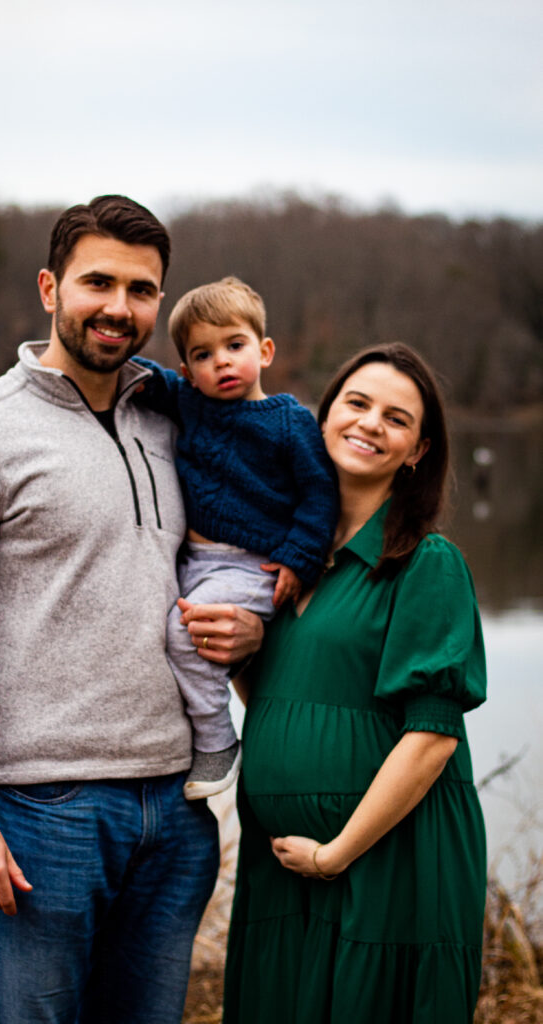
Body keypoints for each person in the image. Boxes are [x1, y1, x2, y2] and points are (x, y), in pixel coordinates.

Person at [0, 195, 263, 1024]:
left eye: (142, 290)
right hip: (43, 813)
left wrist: (247, 631)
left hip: (175, 810)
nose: (118, 307)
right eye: (97, 282)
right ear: (48, 287)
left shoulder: (171, 421)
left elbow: (222, 560)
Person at [224, 343, 488, 1024]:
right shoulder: (286, 562)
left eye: (396, 419)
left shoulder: (424, 565)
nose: (371, 424)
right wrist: (236, 659)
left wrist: (334, 854)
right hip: (284, 866)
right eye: (357, 404)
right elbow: (285, 702)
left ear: (417, 451)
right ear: (323, 416)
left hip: (385, 860)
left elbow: (431, 738)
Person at [133, 277, 337, 800]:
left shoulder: (289, 421)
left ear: (265, 351)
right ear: (188, 371)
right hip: (195, 561)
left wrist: (298, 558)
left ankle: (219, 742)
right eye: (203, 354)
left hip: (251, 565)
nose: (221, 362)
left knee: (185, 634)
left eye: (235, 346)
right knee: (161, 632)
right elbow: (150, 378)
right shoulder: (190, 402)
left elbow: (319, 495)